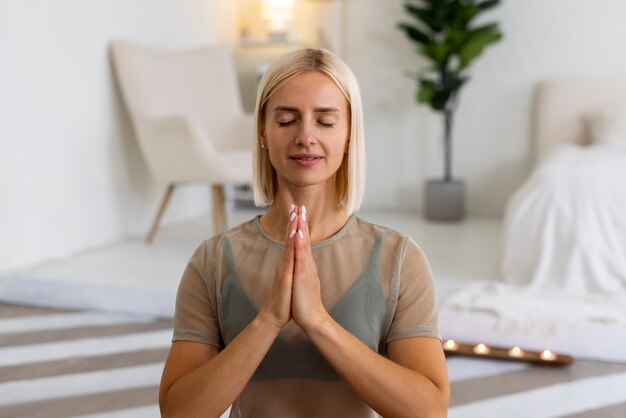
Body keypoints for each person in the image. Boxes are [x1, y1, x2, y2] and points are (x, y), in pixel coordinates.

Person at [158, 48, 449, 418]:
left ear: (348, 135)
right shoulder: (213, 260)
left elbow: (429, 411)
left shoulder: (398, 258)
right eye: (286, 120)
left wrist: (318, 322)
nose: (305, 137)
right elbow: (178, 413)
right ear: (263, 131)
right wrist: (268, 320)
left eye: (326, 121)